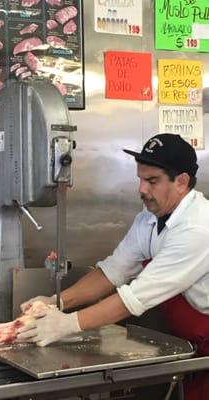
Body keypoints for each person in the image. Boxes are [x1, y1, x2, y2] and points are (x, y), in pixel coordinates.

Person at [17, 133, 209, 400]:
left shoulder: (198, 228)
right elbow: (112, 271)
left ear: (182, 182)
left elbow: (134, 297)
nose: (142, 189)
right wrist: (57, 302)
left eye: (152, 181)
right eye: (140, 179)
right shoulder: (148, 220)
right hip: (195, 346)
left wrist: (68, 324)